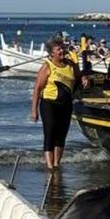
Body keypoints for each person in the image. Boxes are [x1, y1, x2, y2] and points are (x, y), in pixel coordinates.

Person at [31, 38, 87, 170]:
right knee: (50, 133)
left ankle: (56, 164)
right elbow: (37, 89)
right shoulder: (47, 66)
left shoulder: (71, 65)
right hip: (49, 104)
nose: (62, 51)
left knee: (61, 136)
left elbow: (79, 77)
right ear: (52, 53)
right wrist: (34, 110)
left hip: (66, 105)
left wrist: (84, 78)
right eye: (58, 49)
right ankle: (50, 166)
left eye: (62, 48)